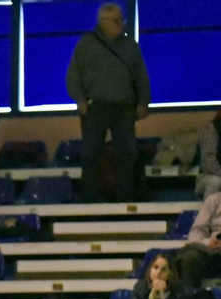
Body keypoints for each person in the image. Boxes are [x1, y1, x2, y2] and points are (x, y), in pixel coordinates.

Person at [65, 3, 150, 202]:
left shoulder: (130, 46)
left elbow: (141, 76)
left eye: (122, 19)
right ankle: (91, 199)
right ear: (102, 22)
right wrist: (80, 99)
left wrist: (144, 101)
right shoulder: (86, 44)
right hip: (95, 106)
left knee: (127, 153)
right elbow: (73, 74)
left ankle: (126, 197)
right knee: (90, 153)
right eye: (115, 20)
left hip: (124, 107)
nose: (120, 24)